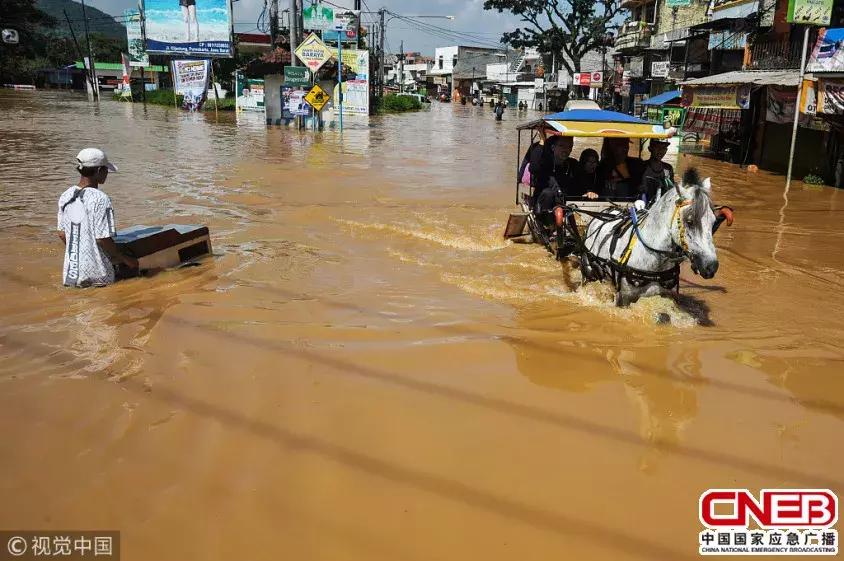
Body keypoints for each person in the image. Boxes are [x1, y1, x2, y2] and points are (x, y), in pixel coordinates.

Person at [57, 148, 137, 287]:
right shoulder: (101, 199)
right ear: (99, 170)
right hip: (98, 276)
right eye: (106, 170)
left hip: (71, 275)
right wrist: (124, 259)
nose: (107, 174)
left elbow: (62, 234)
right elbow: (102, 238)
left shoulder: (66, 196)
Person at [638, 139, 675, 206]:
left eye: (664, 148)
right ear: (650, 148)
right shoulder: (641, 167)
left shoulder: (668, 168)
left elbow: (671, 189)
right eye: (657, 147)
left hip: (662, 206)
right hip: (643, 205)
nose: (660, 151)